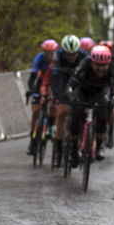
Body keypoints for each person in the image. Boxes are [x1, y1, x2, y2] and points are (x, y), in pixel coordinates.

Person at [65, 45, 114, 164]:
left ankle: (99, 146)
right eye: (98, 65)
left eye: (104, 65)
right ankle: (74, 149)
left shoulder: (112, 68)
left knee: (102, 114)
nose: (101, 69)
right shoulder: (84, 65)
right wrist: (71, 97)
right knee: (76, 116)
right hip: (83, 90)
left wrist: (112, 102)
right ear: (92, 63)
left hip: (101, 91)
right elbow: (70, 85)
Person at [40, 35, 87, 166]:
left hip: (79, 81)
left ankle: (77, 146)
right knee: (61, 113)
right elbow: (56, 78)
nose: (71, 57)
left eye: (74, 54)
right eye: (68, 54)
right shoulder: (58, 56)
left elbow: (88, 78)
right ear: (63, 52)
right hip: (63, 79)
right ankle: (58, 151)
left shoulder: (84, 56)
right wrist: (56, 96)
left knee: (81, 111)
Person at [26, 39, 57, 155]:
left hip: (53, 81)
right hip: (41, 80)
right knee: (36, 110)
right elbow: (32, 78)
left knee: (53, 103)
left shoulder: (58, 59)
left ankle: (51, 124)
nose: (49, 56)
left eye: (52, 53)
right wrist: (31, 90)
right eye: (47, 53)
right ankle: (32, 141)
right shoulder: (38, 58)